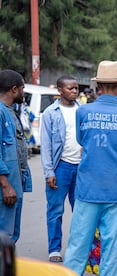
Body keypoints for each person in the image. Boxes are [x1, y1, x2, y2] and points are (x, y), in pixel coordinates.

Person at [63, 60, 117, 275]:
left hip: (87, 188)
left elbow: (81, 141)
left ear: (99, 86)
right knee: (112, 250)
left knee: (77, 246)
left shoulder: (83, 112)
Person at [40, 75, 81, 263]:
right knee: (55, 210)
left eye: (76, 88)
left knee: (81, 210)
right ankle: (54, 249)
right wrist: (49, 172)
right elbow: (46, 145)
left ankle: (78, 249)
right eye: (70, 88)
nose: (74, 91)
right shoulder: (51, 113)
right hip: (60, 167)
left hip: (81, 168)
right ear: (60, 91)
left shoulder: (83, 110)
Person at [0, 69, 32, 242]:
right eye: (22, 88)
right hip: (6, 187)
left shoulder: (10, 111)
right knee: (4, 237)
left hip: (15, 183)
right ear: (14, 89)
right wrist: (6, 186)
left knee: (11, 236)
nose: (23, 92)